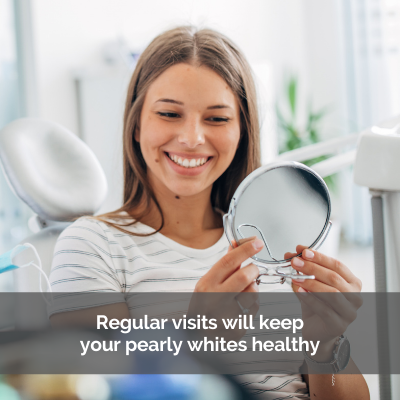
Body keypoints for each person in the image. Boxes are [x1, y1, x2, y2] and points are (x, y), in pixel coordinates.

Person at [49, 26, 369, 399]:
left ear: (241, 133)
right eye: (169, 113)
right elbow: (90, 390)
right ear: (136, 124)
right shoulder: (91, 246)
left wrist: (326, 345)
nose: (192, 138)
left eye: (217, 118)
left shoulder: (275, 247)